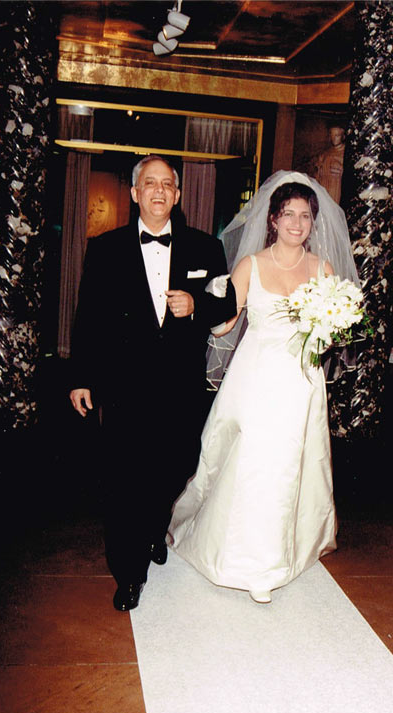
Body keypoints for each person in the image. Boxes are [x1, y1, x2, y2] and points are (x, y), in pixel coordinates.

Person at [167, 171, 360, 603]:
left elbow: (328, 334)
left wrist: (331, 327)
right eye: (288, 213)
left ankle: (273, 559)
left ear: (314, 223)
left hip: (301, 382)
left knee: (290, 465)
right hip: (255, 379)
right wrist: (206, 301)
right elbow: (226, 326)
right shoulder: (250, 264)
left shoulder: (322, 268)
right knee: (253, 463)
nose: (297, 223)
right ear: (272, 218)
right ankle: (246, 558)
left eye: (305, 216)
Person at [69, 155, 237, 612]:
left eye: (168, 184)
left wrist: (196, 307)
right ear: (135, 192)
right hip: (124, 387)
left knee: (173, 468)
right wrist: (81, 377)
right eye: (150, 183)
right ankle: (129, 573)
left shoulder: (207, 248)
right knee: (125, 479)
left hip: (181, 389)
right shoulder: (105, 249)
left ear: (178, 196)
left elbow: (226, 307)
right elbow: (88, 319)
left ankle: (151, 530)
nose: (159, 191)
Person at [316, 126, 346, 204]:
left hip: (336, 187)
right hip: (324, 186)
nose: (334, 138)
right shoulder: (325, 153)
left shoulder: (346, 153)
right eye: (332, 135)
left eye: (337, 135)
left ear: (343, 136)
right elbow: (318, 174)